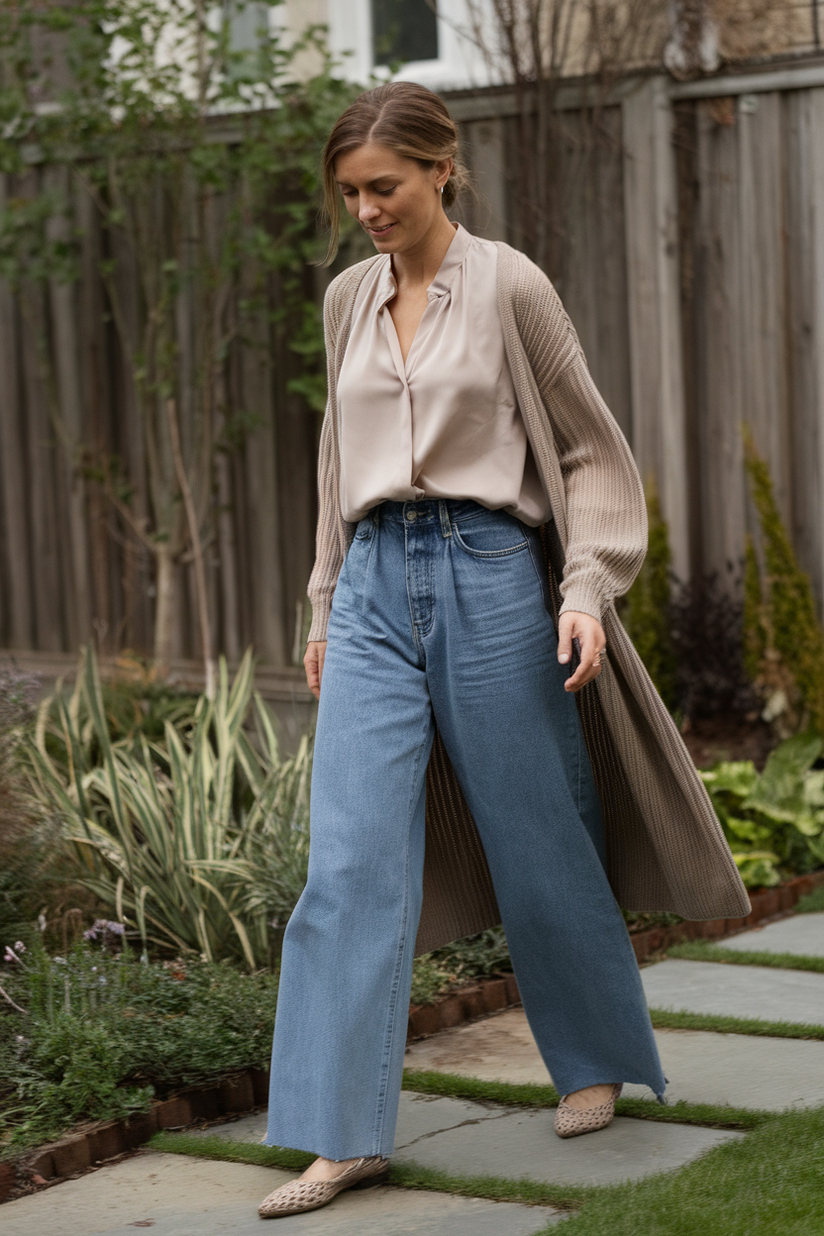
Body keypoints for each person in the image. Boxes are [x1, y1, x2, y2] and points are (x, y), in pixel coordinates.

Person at [257, 81, 748, 1220]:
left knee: (539, 832)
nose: (366, 211)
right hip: (376, 584)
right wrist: (324, 607)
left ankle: (588, 1063)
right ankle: (340, 1135)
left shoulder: (510, 285)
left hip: (488, 572)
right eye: (349, 194)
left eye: (383, 187)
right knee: (345, 861)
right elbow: (338, 468)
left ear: (441, 168)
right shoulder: (346, 301)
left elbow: (584, 448)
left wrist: (584, 587)